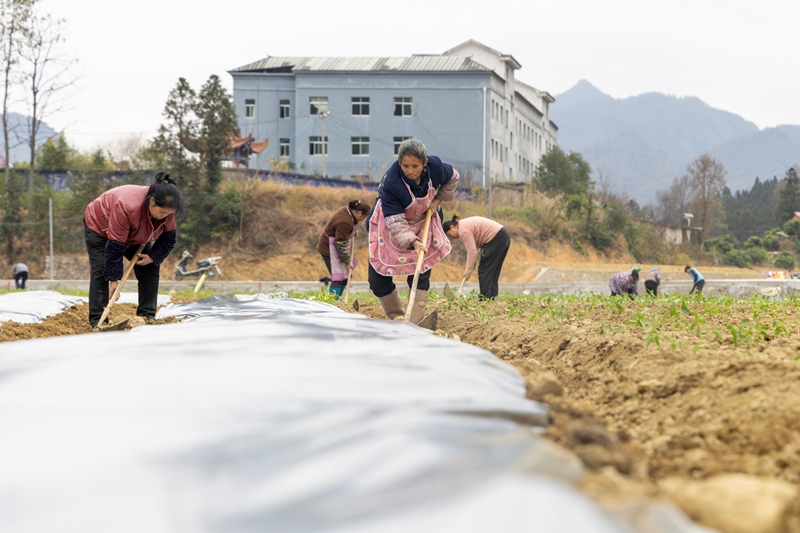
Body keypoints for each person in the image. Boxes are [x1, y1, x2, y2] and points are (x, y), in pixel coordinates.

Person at [367, 139, 459, 323]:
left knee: (420, 270)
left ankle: (415, 322)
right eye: (405, 166)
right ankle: (397, 316)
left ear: (424, 163)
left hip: (424, 220)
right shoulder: (392, 182)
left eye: (415, 166)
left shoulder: (436, 167)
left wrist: (436, 202)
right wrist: (415, 242)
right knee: (376, 279)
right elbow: (395, 221)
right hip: (391, 225)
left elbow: (453, 177)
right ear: (399, 163)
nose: (409, 171)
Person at [84, 172, 183, 328]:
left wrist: (153, 256)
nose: (165, 217)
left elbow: (169, 237)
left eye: (168, 214)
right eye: (162, 213)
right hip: (101, 227)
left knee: (150, 266)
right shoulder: (127, 206)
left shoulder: (166, 210)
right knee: (101, 269)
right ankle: (98, 320)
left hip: (137, 233)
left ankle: (147, 315)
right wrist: (113, 279)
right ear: (152, 201)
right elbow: (116, 244)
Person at [443, 215, 510, 299]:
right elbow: (475, 248)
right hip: (503, 235)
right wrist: (472, 265)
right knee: (493, 270)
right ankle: (492, 297)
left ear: (452, 227)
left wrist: (468, 271)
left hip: (495, 237)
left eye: (449, 234)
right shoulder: (464, 224)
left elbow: (472, 251)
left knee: (484, 270)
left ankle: (485, 298)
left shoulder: (463, 230)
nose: (452, 237)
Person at [316, 199, 372, 299]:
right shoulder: (345, 222)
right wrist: (347, 261)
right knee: (338, 277)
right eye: (364, 217)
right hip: (330, 249)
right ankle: (333, 301)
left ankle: (339, 299)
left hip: (337, 246)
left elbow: (342, 231)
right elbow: (340, 243)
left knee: (347, 276)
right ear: (359, 213)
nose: (363, 219)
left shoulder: (347, 211)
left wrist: (352, 232)